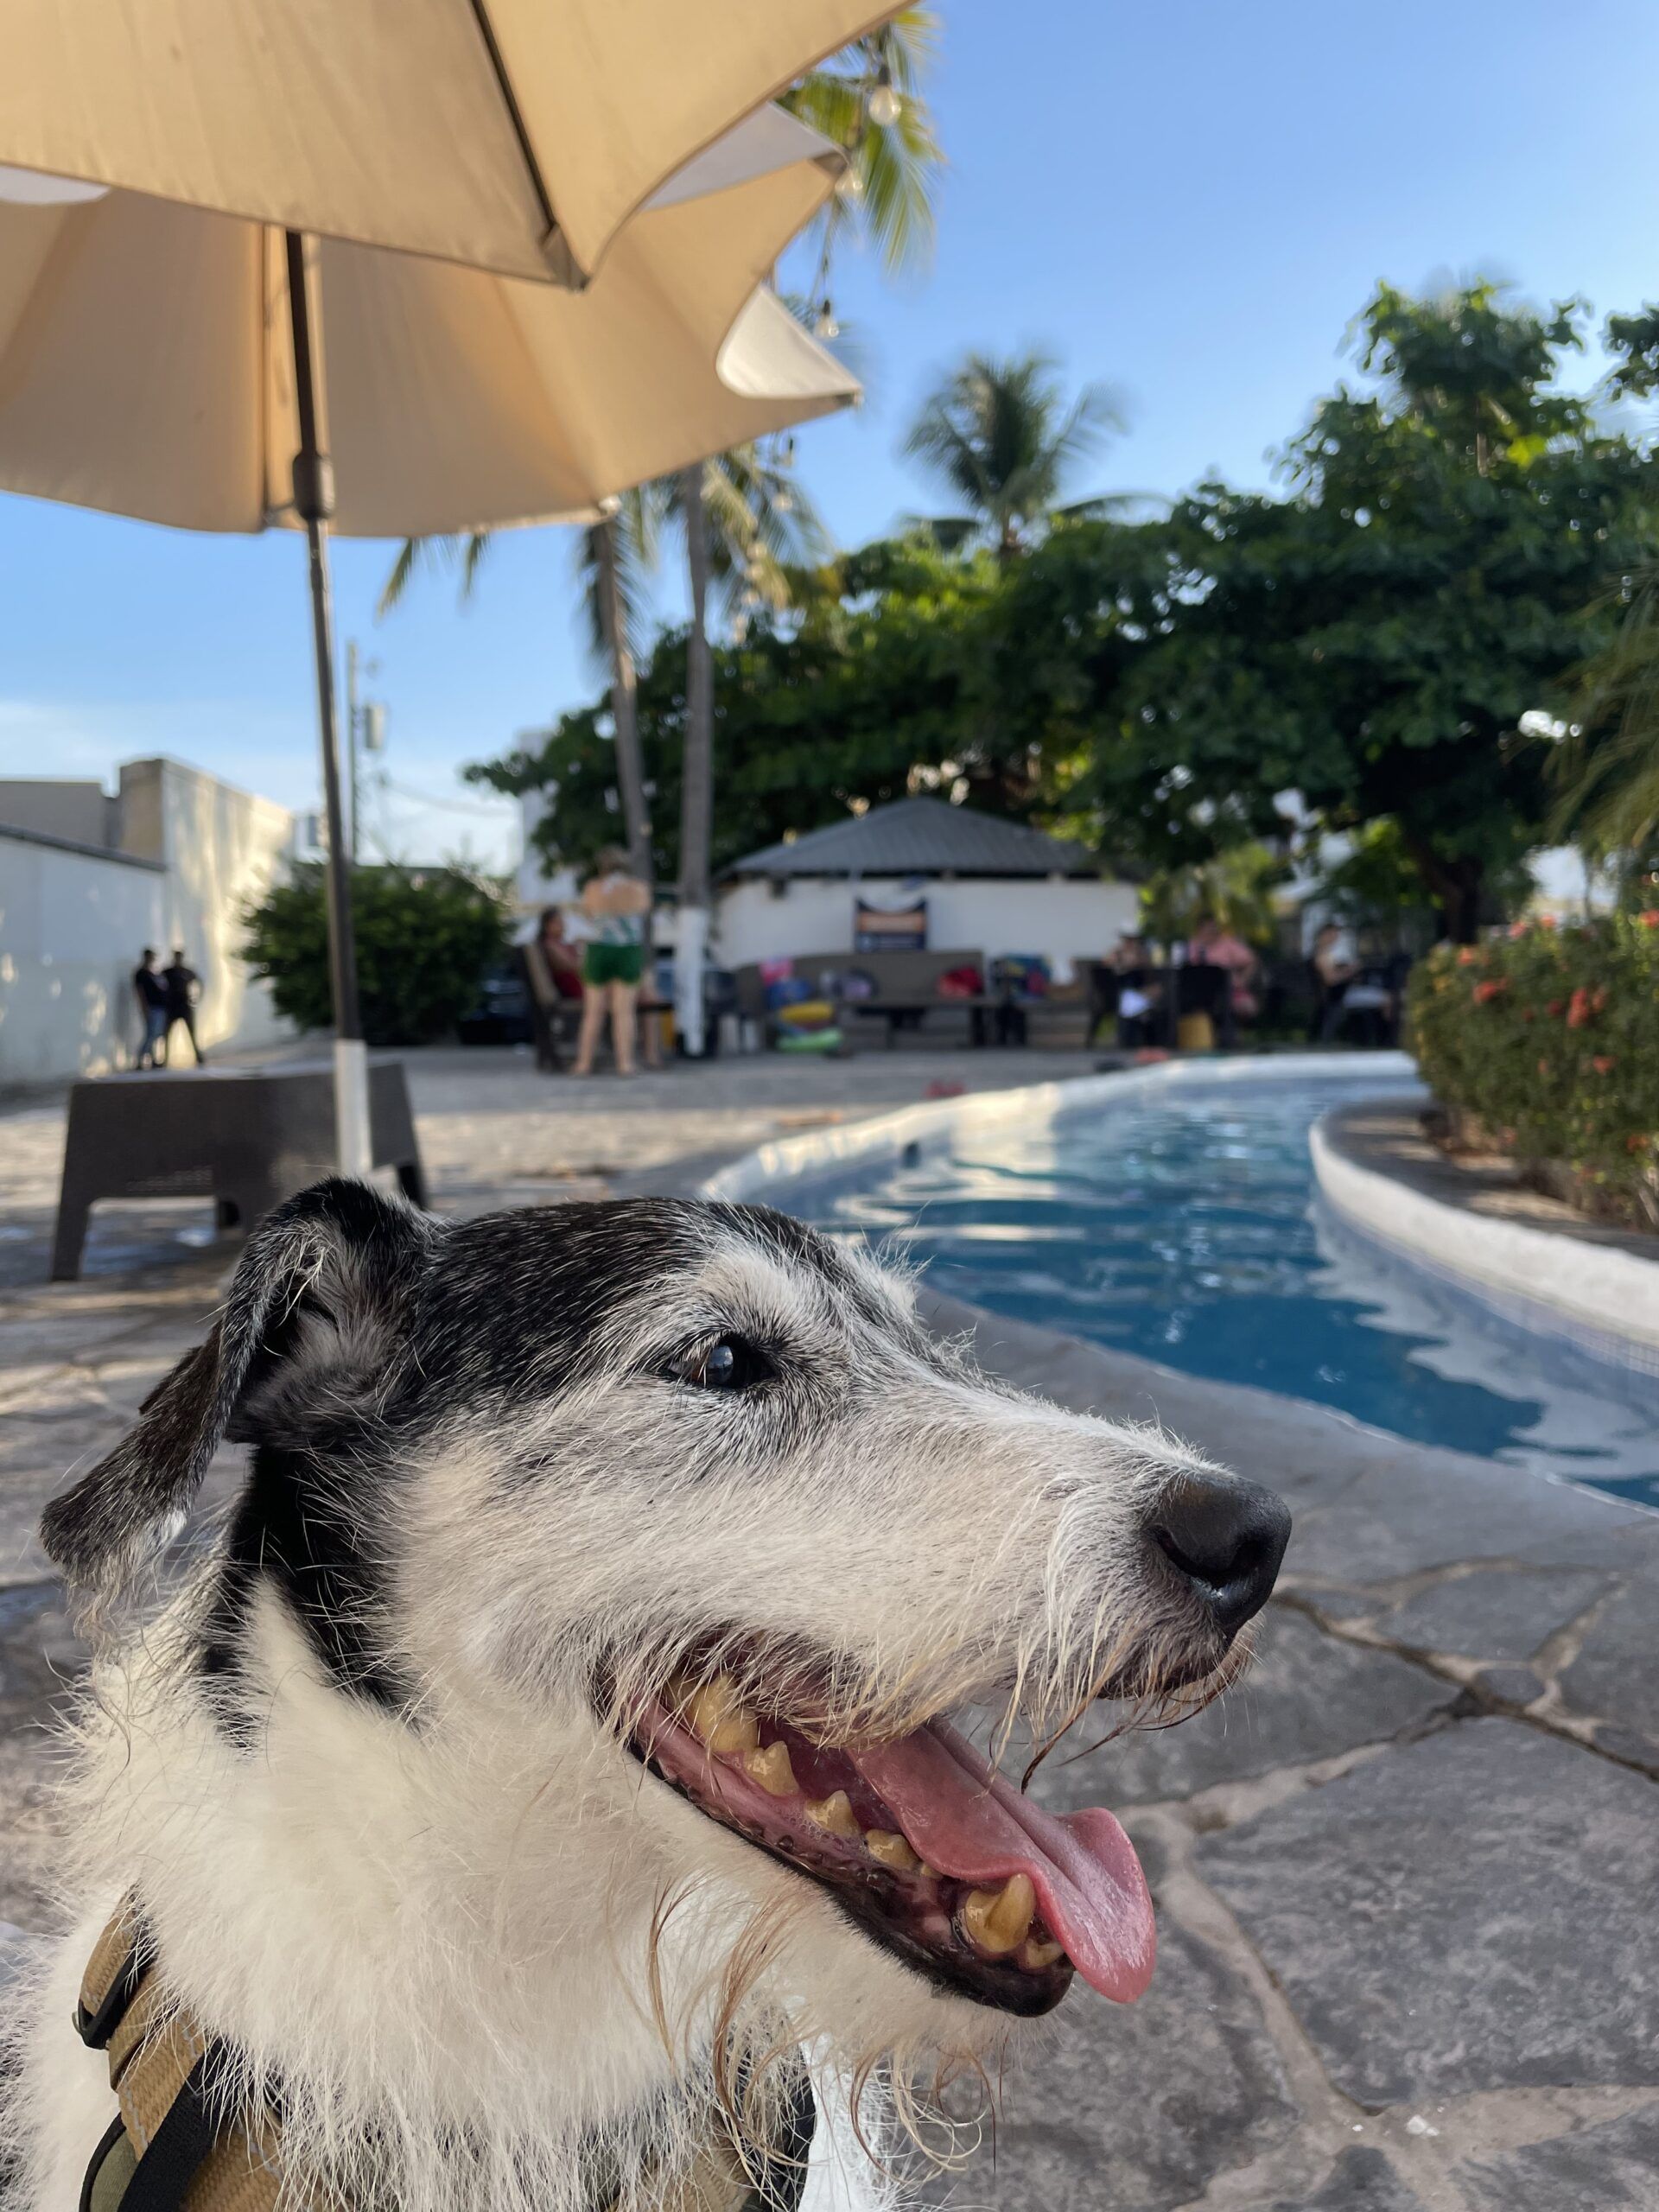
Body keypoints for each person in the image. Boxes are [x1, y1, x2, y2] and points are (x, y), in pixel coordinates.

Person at [573, 850, 651, 1076]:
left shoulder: (593, 888)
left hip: (599, 950)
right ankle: (625, 1063)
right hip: (627, 950)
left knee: (593, 1012)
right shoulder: (638, 888)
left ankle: (584, 1063)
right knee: (624, 1012)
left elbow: (588, 914)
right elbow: (642, 911)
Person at [1186, 914, 1259, 1047]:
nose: (1212, 931)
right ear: (1200, 929)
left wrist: (1243, 980)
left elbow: (1251, 960)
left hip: (1230, 991)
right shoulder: (1192, 945)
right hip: (1198, 994)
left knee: (1245, 1006)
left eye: (1214, 927)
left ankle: (1233, 1039)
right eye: (1208, 928)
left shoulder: (1227, 943)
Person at [1308, 921, 1358, 1043]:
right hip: (1335, 998)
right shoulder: (1322, 954)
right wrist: (1349, 972)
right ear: (1325, 934)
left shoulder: (1327, 954)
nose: (1336, 937)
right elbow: (1330, 980)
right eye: (1333, 933)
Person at [161, 946, 204, 1065]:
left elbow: (199, 982)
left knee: (191, 1033)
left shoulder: (187, 972)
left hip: (185, 1005)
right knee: (167, 1033)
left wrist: (196, 998)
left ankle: (198, 1055)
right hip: (172, 1006)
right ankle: (165, 1058)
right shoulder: (168, 972)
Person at [132, 947, 168, 1068]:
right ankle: (140, 1059)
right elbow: (140, 992)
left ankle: (152, 1059)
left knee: (156, 1034)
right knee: (151, 1034)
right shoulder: (141, 973)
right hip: (152, 1008)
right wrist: (144, 1008)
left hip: (160, 1007)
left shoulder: (154, 973)